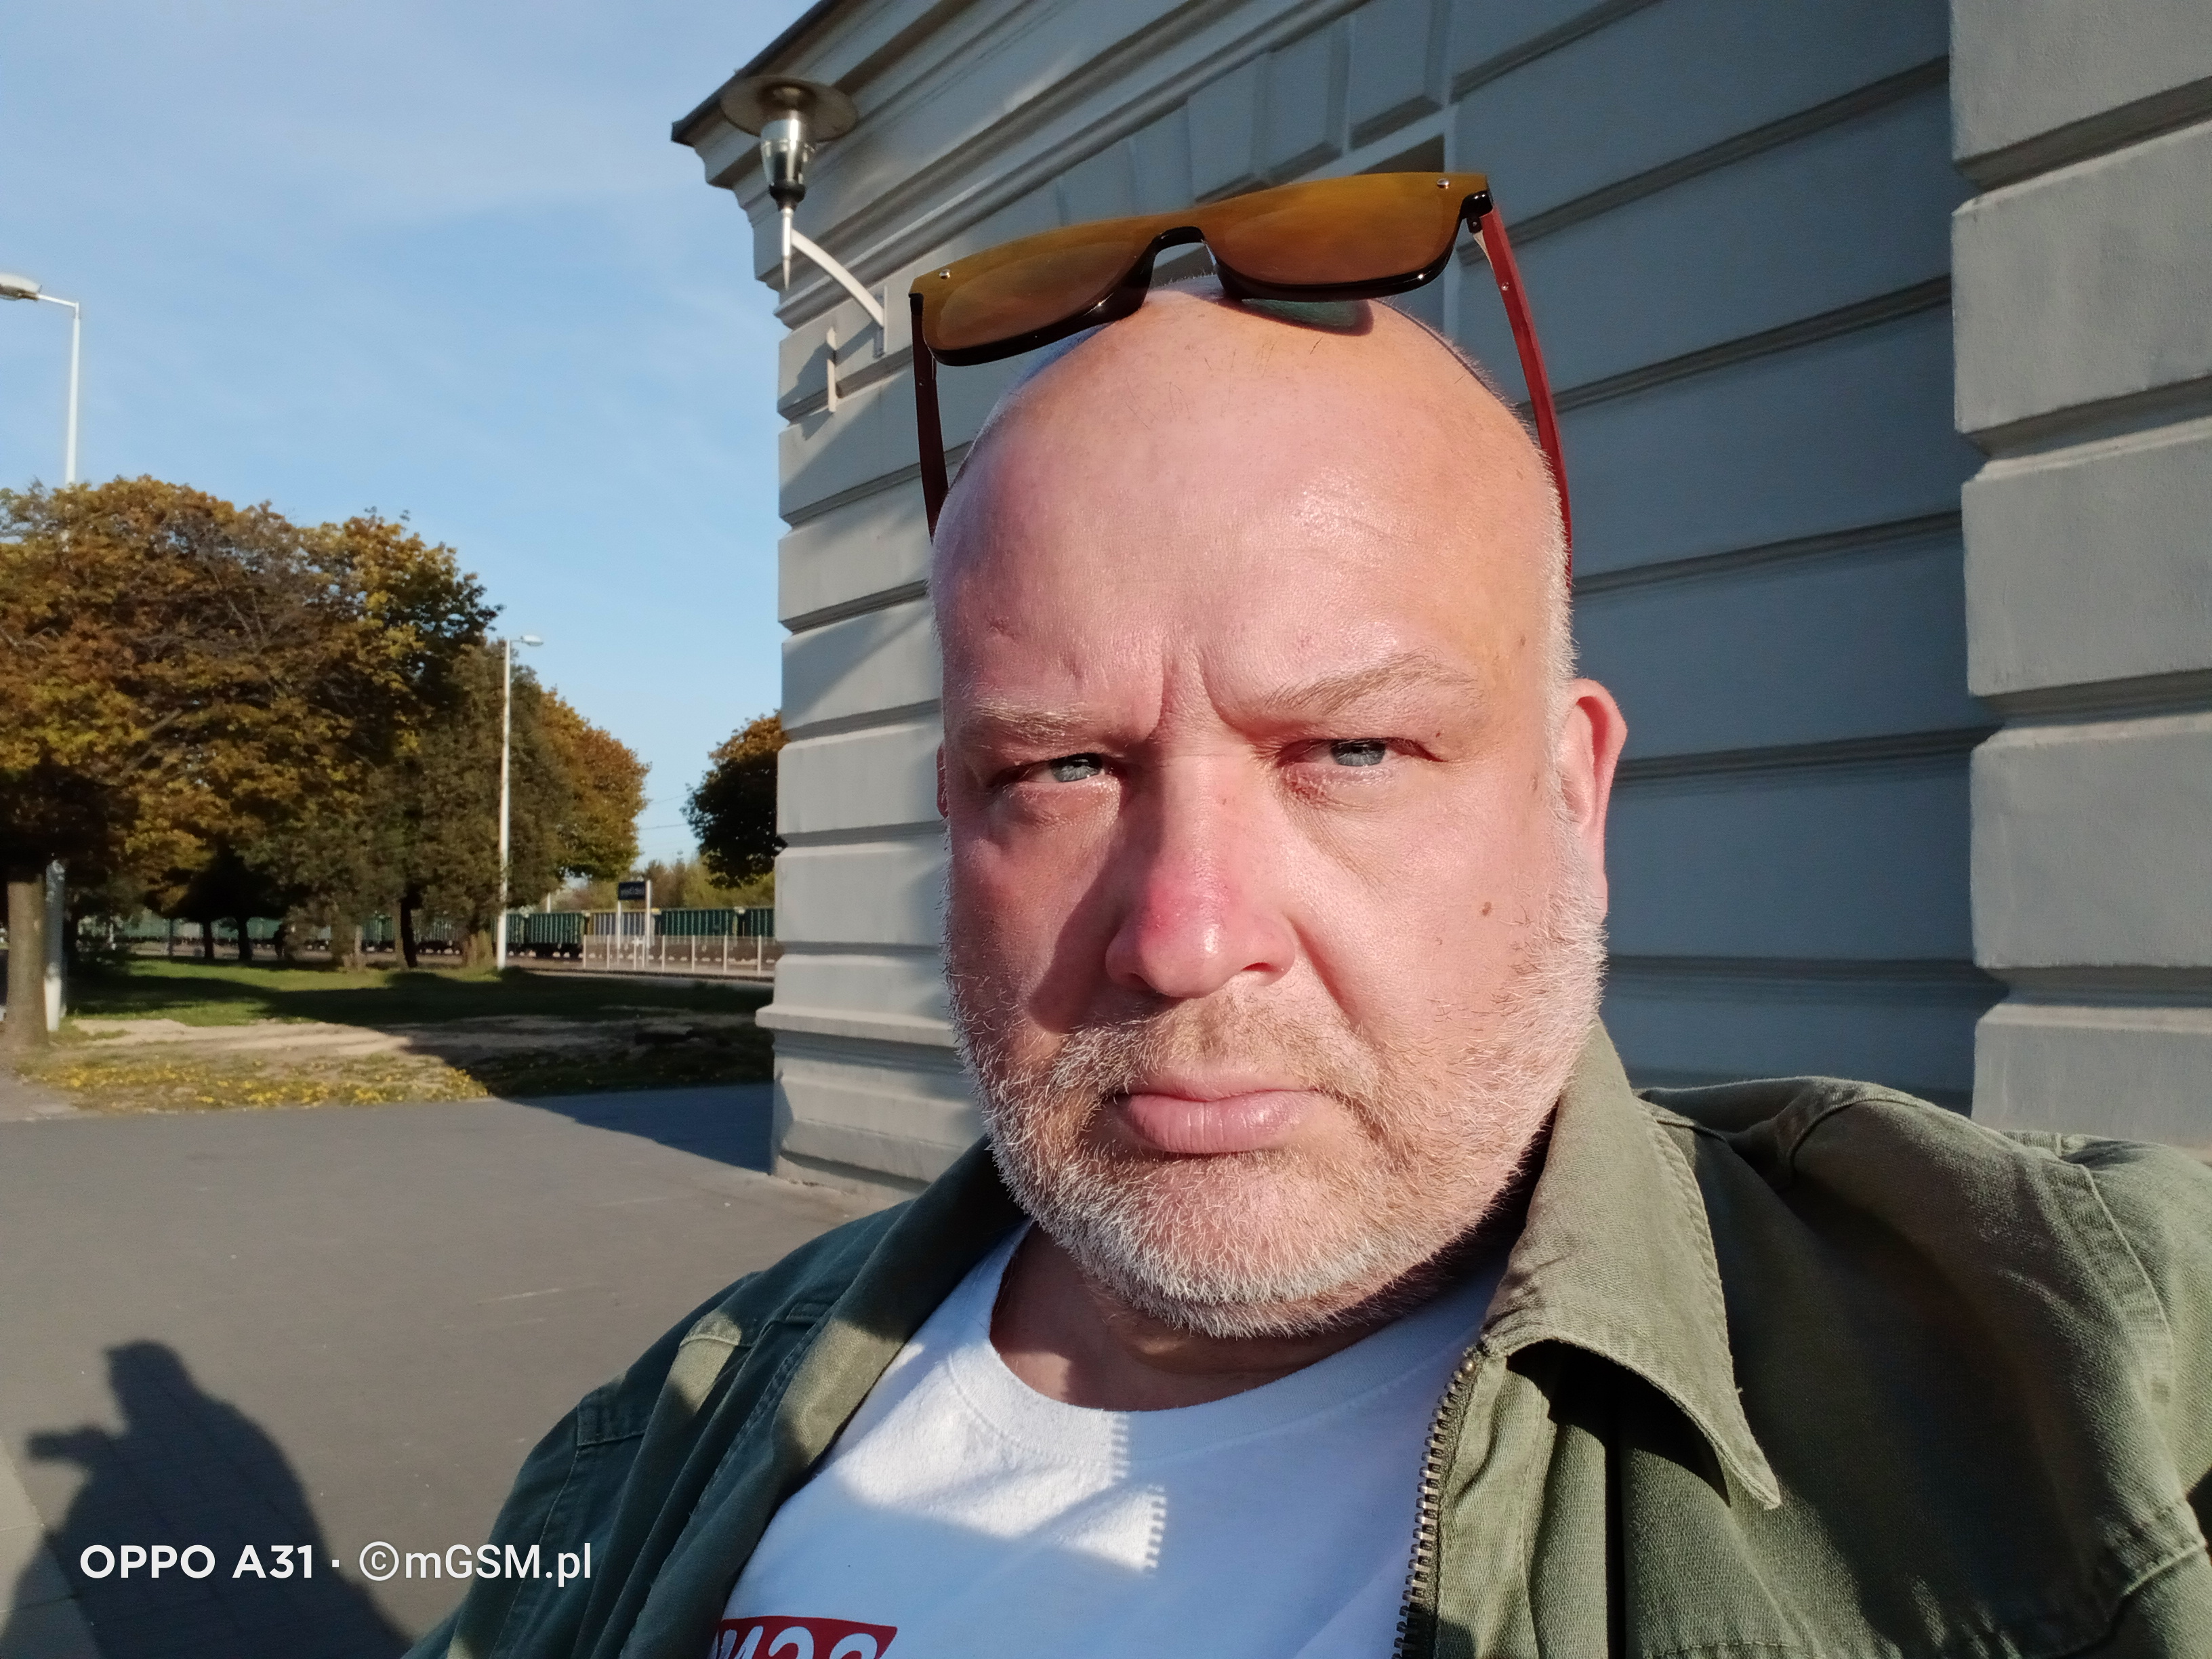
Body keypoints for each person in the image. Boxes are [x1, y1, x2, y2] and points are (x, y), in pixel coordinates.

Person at [408, 287, 2212, 1659]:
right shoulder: (688, 1410)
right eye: (1061, 768)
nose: (1186, 935)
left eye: (1351, 751)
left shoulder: (2079, 1376)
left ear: (1573, 797)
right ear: (956, 819)